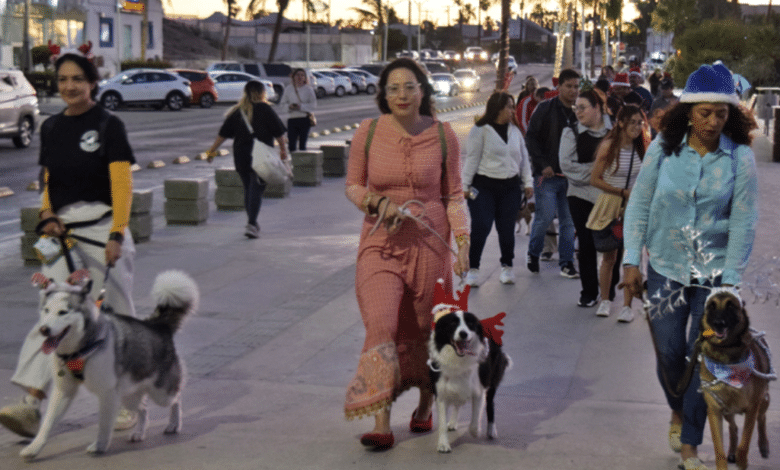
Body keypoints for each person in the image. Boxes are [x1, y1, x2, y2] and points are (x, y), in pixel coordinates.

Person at [621, 63, 758, 470]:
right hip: (665, 265)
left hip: (714, 277)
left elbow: (743, 220)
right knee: (668, 351)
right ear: (689, 110)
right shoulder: (664, 148)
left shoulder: (741, 158)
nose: (713, 121)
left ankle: (691, 447)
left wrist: (730, 281)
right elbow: (640, 205)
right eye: (705, 112)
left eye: (722, 113)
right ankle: (679, 410)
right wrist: (631, 260)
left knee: (705, 356)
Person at [0, 53, 138, 436]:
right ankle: (31, 404)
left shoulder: (109, 125)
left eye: (78, 79)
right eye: (62, 79)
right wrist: (48, 216)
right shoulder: (53, 127)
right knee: (54, 316)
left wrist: (117, 234)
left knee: (118, 313)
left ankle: (129, 400)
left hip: (102, 229)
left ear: (93, 82)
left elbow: (122, 184)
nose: (69, 86)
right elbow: (49, 182)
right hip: (61, 235)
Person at [343, 58, 469, 450]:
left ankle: (425, 404)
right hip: (380, 242)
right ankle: (381, 420)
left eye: (410, 87)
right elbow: (352, 185)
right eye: (393, 87)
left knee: (426, 330)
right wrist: (376, 202)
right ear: (383, 93)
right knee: (381, 322)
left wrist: (462, 242)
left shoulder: (445, 135)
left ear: (423, 91)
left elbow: (454, 195)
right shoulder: (368, 132)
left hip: (430, 244)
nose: (401, 94)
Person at [463, 92, 534, 286]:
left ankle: (507, 267)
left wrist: (528, 183)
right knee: (482, 226)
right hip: (483, 187)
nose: (513, 111)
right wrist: (464, 186)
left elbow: (523, 160)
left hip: (510, 188)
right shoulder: (480, 130)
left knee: (506, 229)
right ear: (498, 108)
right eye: (509, 107)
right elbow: (472, 159)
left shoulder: (515, 131)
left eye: (513, 107)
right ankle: (474, 269)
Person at [205, 80, 287, 239]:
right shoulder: (265, 109)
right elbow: (278, 132)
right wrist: (283, 149)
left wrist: (211, 152)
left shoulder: (237, 111)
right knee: (256, 189)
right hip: (261, 156)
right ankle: (251, 223)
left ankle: (253, 223)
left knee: (248, 189)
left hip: (241, 155)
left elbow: (223, 135)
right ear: (262, 93)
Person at [589, 104, 645, 321]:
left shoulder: (642, 147)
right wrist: (621, 191)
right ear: (620, 123)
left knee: (632, 258)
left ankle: (627, 307)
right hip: (611, 205)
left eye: (640, 122)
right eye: (632, 122)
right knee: (609, 257)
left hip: (634, 207)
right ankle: (605, 300)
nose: (637, 127)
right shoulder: (608, 146)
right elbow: (594, 179)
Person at [559, 88, 613, 308]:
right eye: (576, 108)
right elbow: (567, 166)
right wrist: (598, 172)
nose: (578, 112)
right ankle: (589, 292)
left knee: (611, 244)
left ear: (597, 108)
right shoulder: (571, 132)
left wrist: (598, 173)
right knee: (587, 243)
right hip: (579, 195)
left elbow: (622, 162)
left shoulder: (615, 131)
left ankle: (609, 288)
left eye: (582, 108)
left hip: (609, 197)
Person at [525, 68, 580, 278]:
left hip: (571, 179)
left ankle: (566, 264)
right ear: (559, 87)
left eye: (576, 87)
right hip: (546, 176)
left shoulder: (580, 111)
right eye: (569, 86)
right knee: (544, 216)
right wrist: (542, 164)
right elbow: (531, 138)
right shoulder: (545, 109)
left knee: (568, 222)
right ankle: (533, 253)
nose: (573, 91)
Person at [279, 68, 317, 152]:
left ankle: (301, 163)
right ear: (293, 77)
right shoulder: (289, 89)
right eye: (297, 75)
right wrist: (290, 107)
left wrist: (301, 107)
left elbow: (313, 105)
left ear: (305, 77)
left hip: (304, 119)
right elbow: (282, 104)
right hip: (292, 119)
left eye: (302, 75)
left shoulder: (308, 89)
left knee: (302, 145)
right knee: (291, 145)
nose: (300, 77)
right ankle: (293, 162)